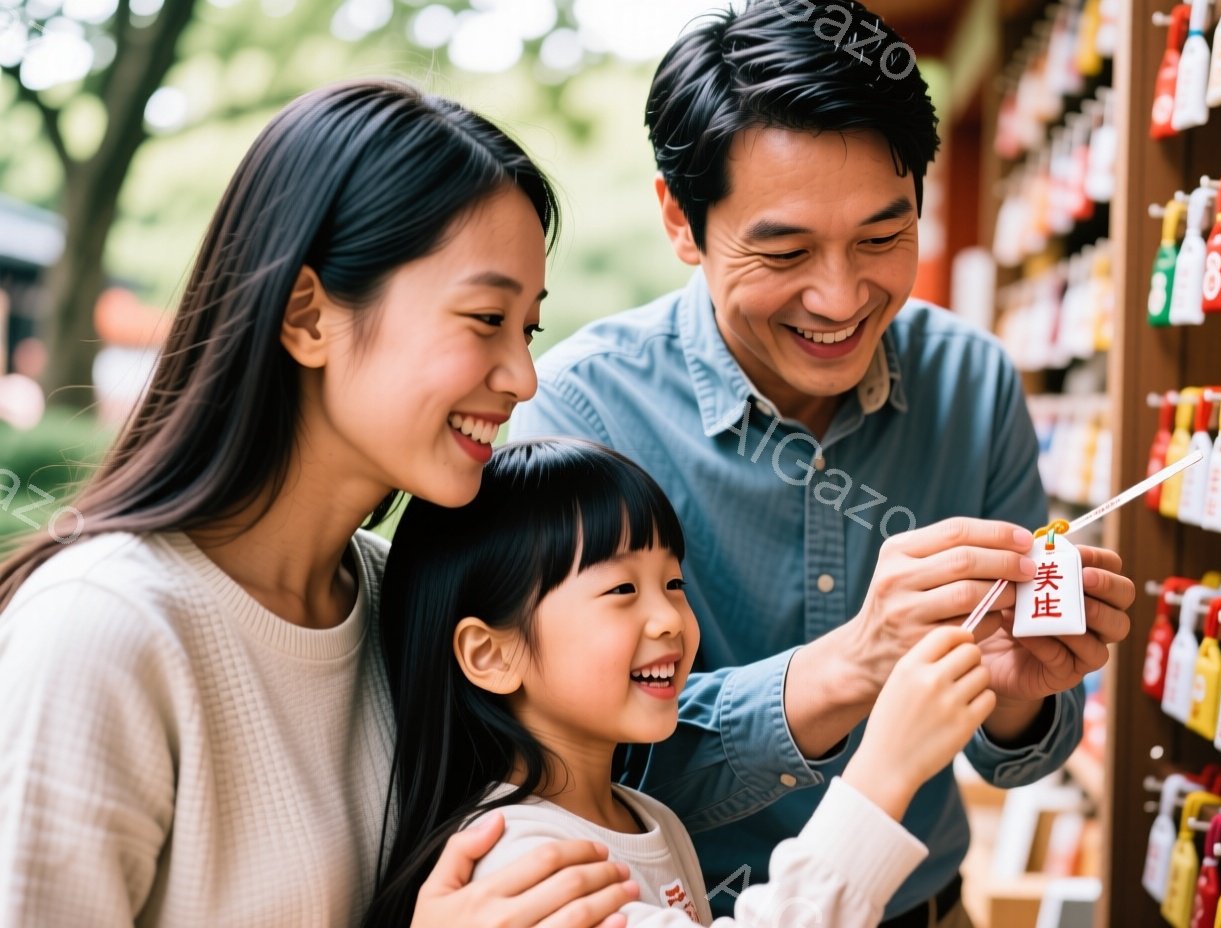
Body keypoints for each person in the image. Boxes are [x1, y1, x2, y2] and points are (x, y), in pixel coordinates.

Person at [509, 3, 1136, 923]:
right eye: (786, 250)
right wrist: (849, 665)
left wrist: (1016, 699)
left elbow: (1023, 752)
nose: (841, 300)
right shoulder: (578, 415)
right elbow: (567, 768)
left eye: (882, 238)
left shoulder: (972, 380)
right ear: (680, 219)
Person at [0, 80, 633, 927]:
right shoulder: (105, 627)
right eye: (486, 318)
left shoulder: (406, 600)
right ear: (306, 317)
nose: (522, 377)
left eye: (529, 330)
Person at [368, 437, 996, 927]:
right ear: (491, 654)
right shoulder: (521, 863)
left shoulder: (647, 818)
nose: (670, 618)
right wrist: (885, 770)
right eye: (622, 589)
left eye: (673, 583)